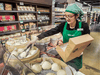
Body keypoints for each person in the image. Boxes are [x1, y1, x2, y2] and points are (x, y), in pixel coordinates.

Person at [29, 4, 90, 71]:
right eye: (65, 16)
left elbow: (88, 41)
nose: (67, 18)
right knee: (64, 69)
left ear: (77, 16)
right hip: (65, 54)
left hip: (77, 55)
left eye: (70, 16)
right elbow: (51, 31)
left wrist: (81, 48)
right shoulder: (63, 25)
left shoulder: (83, 26)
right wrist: (37, 38)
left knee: (74, 71)